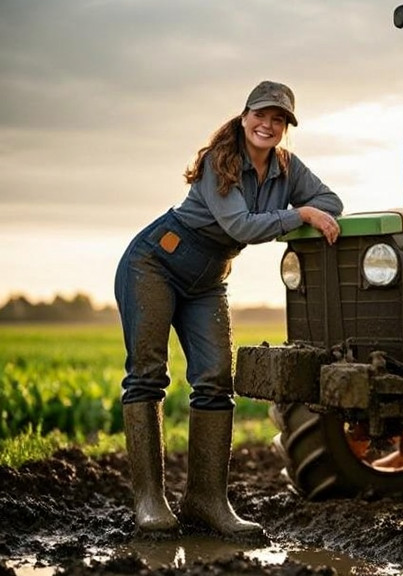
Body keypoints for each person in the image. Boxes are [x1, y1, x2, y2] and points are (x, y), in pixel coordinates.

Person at [114, 80, 343, 538]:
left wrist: (308, 210)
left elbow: (331, 203)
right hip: (155, 262)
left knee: (217, 378)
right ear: (244, 118)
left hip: (209, 280)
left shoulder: (286, 167)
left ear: (285, 127)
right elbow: (240, 223)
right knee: (148, 373)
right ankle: (149, 502)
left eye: (279, 119)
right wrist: (298, 216)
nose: (268, 124)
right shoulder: (217, 163)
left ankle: (205, 500)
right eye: (261, 115)